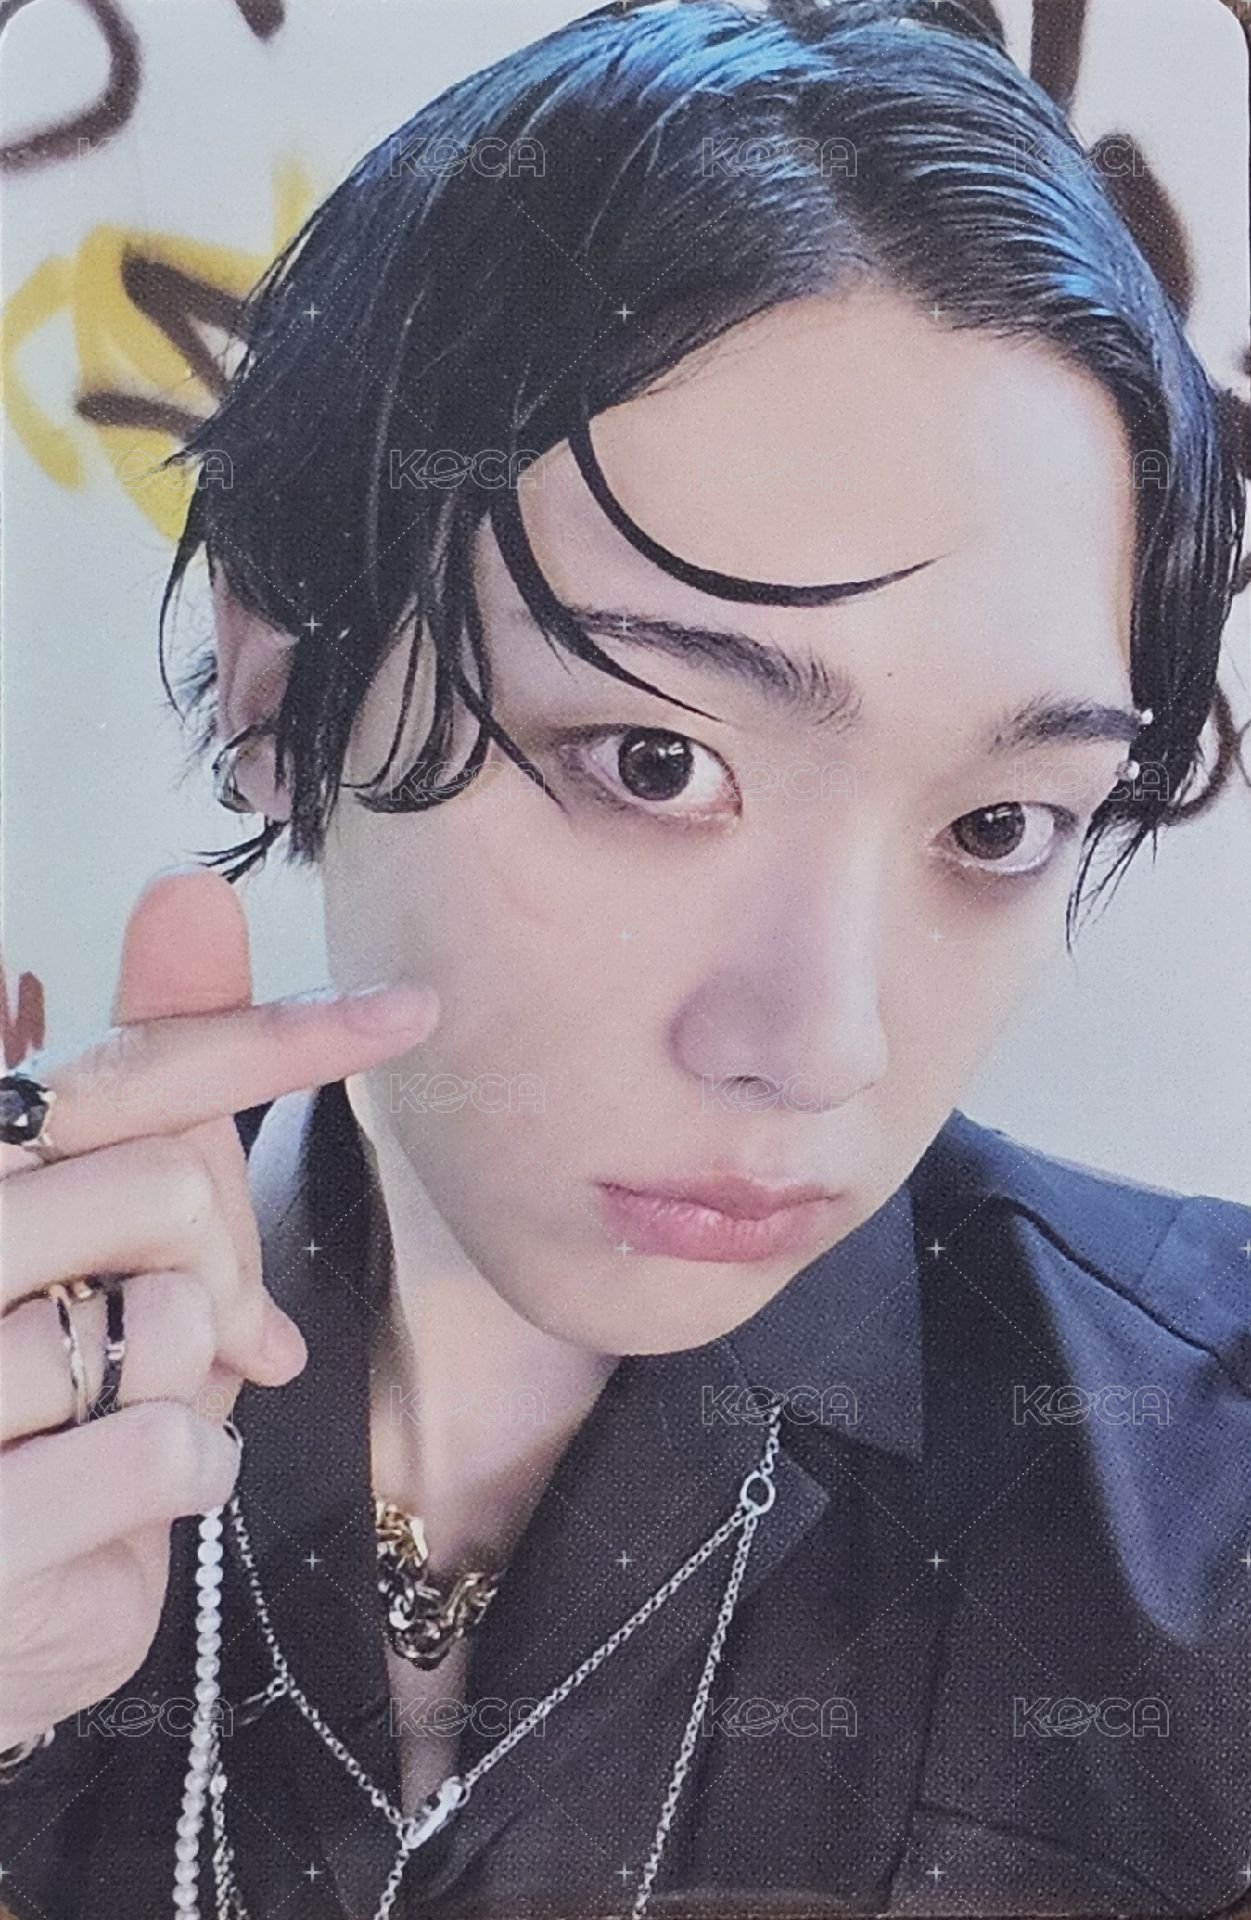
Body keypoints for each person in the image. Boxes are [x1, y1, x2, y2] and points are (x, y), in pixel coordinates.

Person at [1, 0, 1248, 1915]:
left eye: (998, 826)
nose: (818, 1044)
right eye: (654, 761)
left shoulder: (1197, 1491)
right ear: (279, 685)